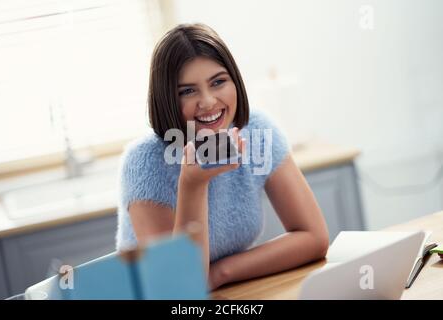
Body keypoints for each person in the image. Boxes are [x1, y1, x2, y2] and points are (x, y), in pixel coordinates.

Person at [116, 23, 329, 291]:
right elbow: (178, 289)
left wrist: (220, 273)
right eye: (187, 91)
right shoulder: (145, 161)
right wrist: (193, 184)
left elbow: (314, 237)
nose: (207, 101)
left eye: (218, 82)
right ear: (166, 99)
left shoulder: (258, 131)